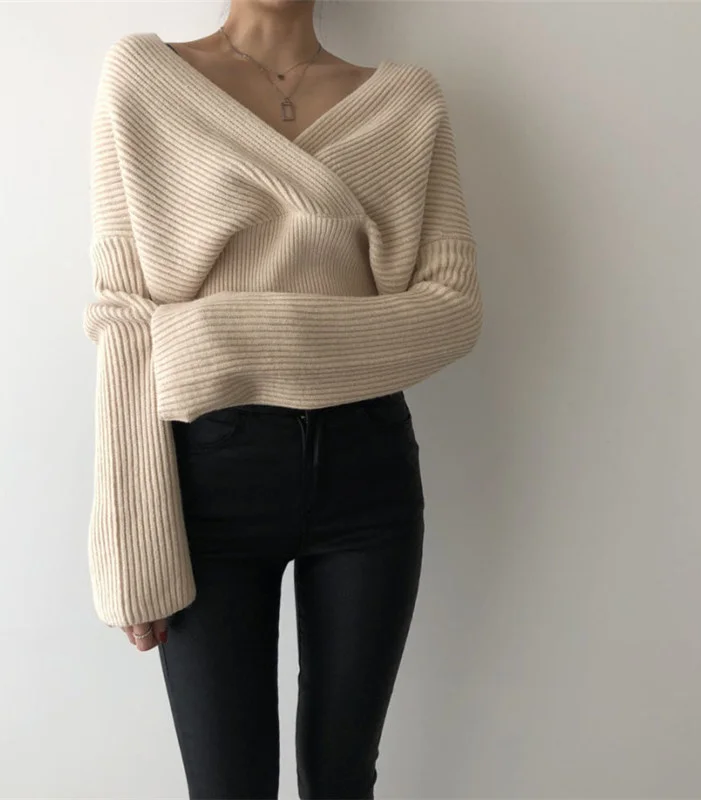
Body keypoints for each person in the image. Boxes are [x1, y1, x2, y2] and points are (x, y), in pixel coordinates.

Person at [82, 1, 483, 797]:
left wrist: (215, 337)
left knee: (342, 780)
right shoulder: (144, 78)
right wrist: (132, 542)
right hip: (206, 478)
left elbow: (454, 308)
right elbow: (124, 317)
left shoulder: (407, 102)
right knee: (226, 785)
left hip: (367, 469)